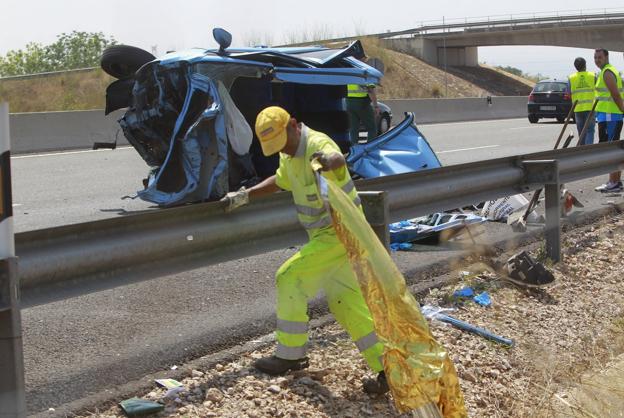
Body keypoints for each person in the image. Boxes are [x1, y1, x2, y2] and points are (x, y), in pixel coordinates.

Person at [221, 106, 389, 394]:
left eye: (284, 141)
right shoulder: (289, 154)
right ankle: (389, 369)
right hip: (328, 237)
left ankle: (289, 355)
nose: (282, 149)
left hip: (341, 232)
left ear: (294, 125)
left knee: (289, 277)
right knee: (346, 305)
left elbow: (336, 159)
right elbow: (281, 180)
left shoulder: (317, 145)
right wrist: (245, 195)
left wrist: (332, 161)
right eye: (276, 147)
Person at [593, 49, 624, 193]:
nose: (597, 60)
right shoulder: (606, 71)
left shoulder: (607, 73)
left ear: (606, 57)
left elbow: (616, 95)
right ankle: (615, 181)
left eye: (600, 57)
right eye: (595, 57)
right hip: (607, 115)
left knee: (610, 149)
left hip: (611, 115)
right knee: (612, 148)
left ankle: (614, 182)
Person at [346, 64, 379, 145]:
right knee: (371, 127)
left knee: (353, 129)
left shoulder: (347, 72)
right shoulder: (364, 71)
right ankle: (371, 148)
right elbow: (370, 90)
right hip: (362, 103)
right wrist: (376, 106)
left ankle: (354, 150)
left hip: (348, 102)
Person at [568, 57, 596, 145]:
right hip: (590, 108)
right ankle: (588, 151)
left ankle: (582, 151)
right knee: (590, 131)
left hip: (577, 109)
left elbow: (568, 93)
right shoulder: (592, 76)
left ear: (575, 66)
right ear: (585, 65)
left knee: (581, 132)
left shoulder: (571, 78)